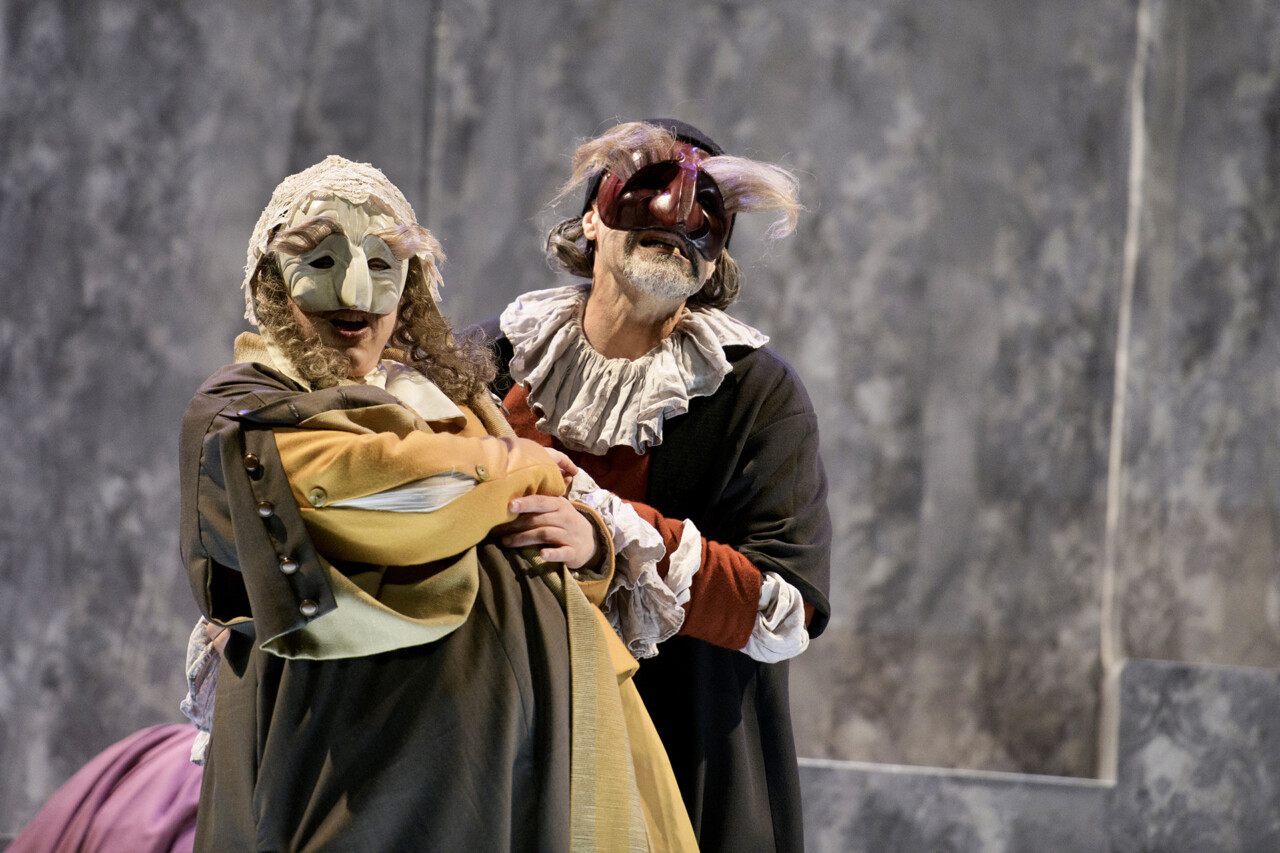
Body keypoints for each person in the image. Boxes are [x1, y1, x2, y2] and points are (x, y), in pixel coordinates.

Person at [181, 155, 695, 852]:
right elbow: (391, 492)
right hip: (369, 752)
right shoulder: (243, 407)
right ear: (273, 281)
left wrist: (584, 539)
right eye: (321, 262)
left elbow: (518, 521)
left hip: (531, 747)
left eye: (381, 265)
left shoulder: (446, 394)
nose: (355, 293)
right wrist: (522, 467)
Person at [482, 120, 832, 852]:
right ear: (591, 218)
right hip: (500, 755)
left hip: (676, 767)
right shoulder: (494, 358)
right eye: (647, 186)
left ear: (717, 255)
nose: (675, 217)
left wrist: (607, 535)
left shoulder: (754, 394)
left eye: (705, 209)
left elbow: (787, 608)